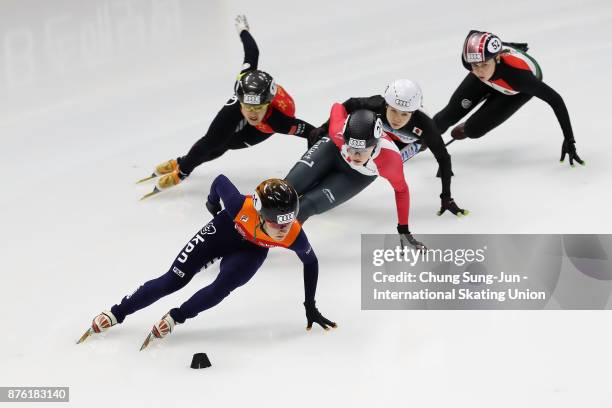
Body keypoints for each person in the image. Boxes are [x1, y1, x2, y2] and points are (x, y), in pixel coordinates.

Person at [78, 175, 336, 350]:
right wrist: (212, 204)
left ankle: (177, 317)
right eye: (276, 221)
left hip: (251, 251)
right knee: (173, 280)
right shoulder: (238, 206)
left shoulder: (294, 235)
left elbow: (310, 263)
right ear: (259, 213)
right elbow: (220, 180)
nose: (283, 228)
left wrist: (310, 305)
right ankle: (117, 312)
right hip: (224, 230)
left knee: (222, 287)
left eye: (289, 220)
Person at [139, 15, 315, 198]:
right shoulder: (244, 79)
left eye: (258, 108)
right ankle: (182, 168)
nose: (252, 114)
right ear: (240, 99)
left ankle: (184, 163)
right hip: (237, 111)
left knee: (226, 144)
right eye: (248, 106)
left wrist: (312, 174)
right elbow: (252, 52)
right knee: (212, 141)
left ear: (268, 103)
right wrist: (243, 29)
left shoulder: (280, 121)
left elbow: (313, 134)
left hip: (265, 127)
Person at [309, 79, 467, 216]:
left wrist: (446, 196)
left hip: (410, 143)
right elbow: (348, 105)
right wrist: (323, 128)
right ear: (386, 105)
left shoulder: (425, 126)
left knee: (376, 164)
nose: (397, 119)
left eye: (405, 114)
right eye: (394, 111)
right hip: (382, 133)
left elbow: (444, 158)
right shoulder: (376, 104)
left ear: (413, 112)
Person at [433, 30, 584, 167]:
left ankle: (469, 126)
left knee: (474, 130)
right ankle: (417, 140)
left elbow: (556, 100)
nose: (479, 70)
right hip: (495, 74)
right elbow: (473, 34)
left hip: (515, 90)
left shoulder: (520, 78)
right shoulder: (471, 61)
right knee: (445, 118)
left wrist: (569, 139)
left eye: (484, 65)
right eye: (475, 65)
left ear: (497, 58)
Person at [285, 104, 427, 250]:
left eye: (363, 150)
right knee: (286, 189)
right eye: (352, 148)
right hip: (332, 150)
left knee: (305, 207)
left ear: (375, 145)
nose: (356, 155)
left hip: (355, 176)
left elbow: (402, 191)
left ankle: (271, 242)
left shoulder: (389, 160)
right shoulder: (337, 131)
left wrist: (403, 229)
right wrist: (323, 128)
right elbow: (337, 107)